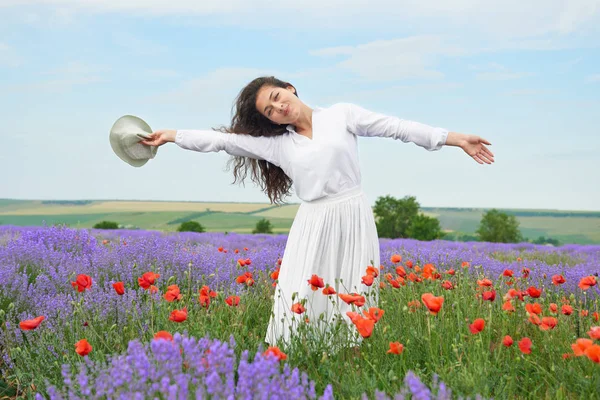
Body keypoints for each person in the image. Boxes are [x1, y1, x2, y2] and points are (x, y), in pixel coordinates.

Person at [139, 76, 495, 352]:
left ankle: (350, 365)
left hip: (353, 216)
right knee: (302, 293)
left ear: (290, 89)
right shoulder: (278, 145)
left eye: (277, 98)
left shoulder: (342, 115)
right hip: (313, 223)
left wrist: (454, 138)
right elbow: (224, 141)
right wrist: (172, 135)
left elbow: (397, 127)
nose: (278, 108)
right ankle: (292, 362)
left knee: (355, 293)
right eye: (269, 111)